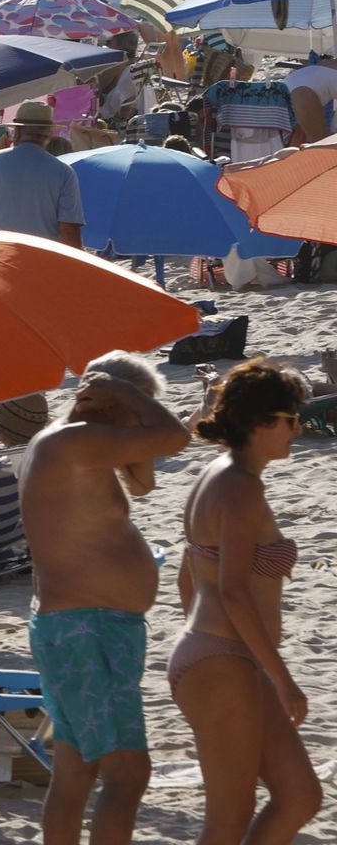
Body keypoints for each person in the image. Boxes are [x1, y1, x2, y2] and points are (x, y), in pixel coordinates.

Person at [20, 354, 190, 845]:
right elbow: (176, 436)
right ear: (118, 404)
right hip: (88, 629)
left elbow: (145, 480)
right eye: (137, 413)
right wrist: (130, 397)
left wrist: (126, 411)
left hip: (77, 628)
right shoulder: (76, 440)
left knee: (75, 773)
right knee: (127, 773)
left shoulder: (62, 440)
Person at [171, 359, 320, 845]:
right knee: (227, 822)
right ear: (261, 421)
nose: (297, 431)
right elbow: (232, 589)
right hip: (221, 662)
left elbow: (187, 575)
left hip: (223, 657)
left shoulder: (220, 475)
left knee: (300, 796)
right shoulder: (238, 485)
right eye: (292, 420)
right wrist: (284, 679)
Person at [0, 102, 86, 247]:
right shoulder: (63, 172)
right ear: (48, 135)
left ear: (17, 132)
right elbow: (69, 230)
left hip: (2, 257)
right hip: (43, 259)